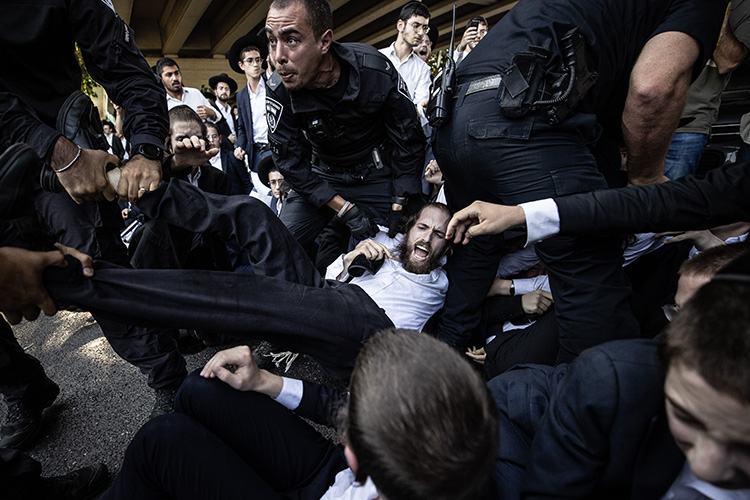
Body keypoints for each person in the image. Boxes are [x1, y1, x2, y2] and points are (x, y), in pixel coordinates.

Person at [433, 0, 727, 361]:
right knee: (592, 285)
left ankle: (442, 363)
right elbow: (654, 88)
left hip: (453, 120)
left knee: (475, 242)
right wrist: (646, 177)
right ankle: (588, 403)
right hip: (525, 121)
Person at [0, 0, 188, 433]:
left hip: (64, 162)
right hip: (44, 151)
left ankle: (170, 379)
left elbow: (124, 69)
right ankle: (20, 387)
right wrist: (57, 151)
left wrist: (144, 149)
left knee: (95, 270)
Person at [100, 328, 498, 500]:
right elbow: (346, 409)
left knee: (162, 441)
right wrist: (263, 380)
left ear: (357, 449)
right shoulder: (461, 425)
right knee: (201, 390)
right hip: (329, 474)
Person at [488, 252, 750, 499]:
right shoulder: (617, 380)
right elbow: (513, 397)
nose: (707, 466)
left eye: (743, 445)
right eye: (685, 417)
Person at [264, 0, 426, 257]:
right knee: (276, 250)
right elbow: (289, 161)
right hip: (322, 177)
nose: (278, 56)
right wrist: (344, 209)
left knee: (418, 243)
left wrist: (400, 198)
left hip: (377, 174)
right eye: (272, 40)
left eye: (292, 40)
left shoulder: (374, 69)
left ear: (325, 42)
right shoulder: (279, 88)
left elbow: (408, 137)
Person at [664, 0, 750, 179]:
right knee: (622, 200)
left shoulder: (744, 8)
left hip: (689, 124)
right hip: (639, 117)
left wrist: (714, 8)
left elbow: (728, 61)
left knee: (671, 201)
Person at [379, 1, 433, 127]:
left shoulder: (423, 69)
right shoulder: (378, 56)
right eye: (416, 25)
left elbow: (419, 108)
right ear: (400, 25)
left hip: (402, 134)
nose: (420, 32)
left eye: (424, 28)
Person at [156, 57, 217, 122]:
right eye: (169, 75)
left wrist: (211, 113)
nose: (175, 78)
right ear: (161, 79)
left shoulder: (195, 93)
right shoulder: (160, 102)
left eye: (177, 73)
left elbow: (218, 117)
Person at [206, 122, 253, 196]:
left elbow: (246, 183)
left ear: (220, 139)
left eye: (214, 136)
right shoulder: (200, 161)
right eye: (207, 137)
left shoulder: (232, 157)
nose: (211, 140)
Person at [207, 73, 238, 146]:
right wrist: (226, 140)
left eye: (226, 89)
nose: (224, 91)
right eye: (221, 88)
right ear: (215, 92)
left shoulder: (231, 112)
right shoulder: (212, 111)